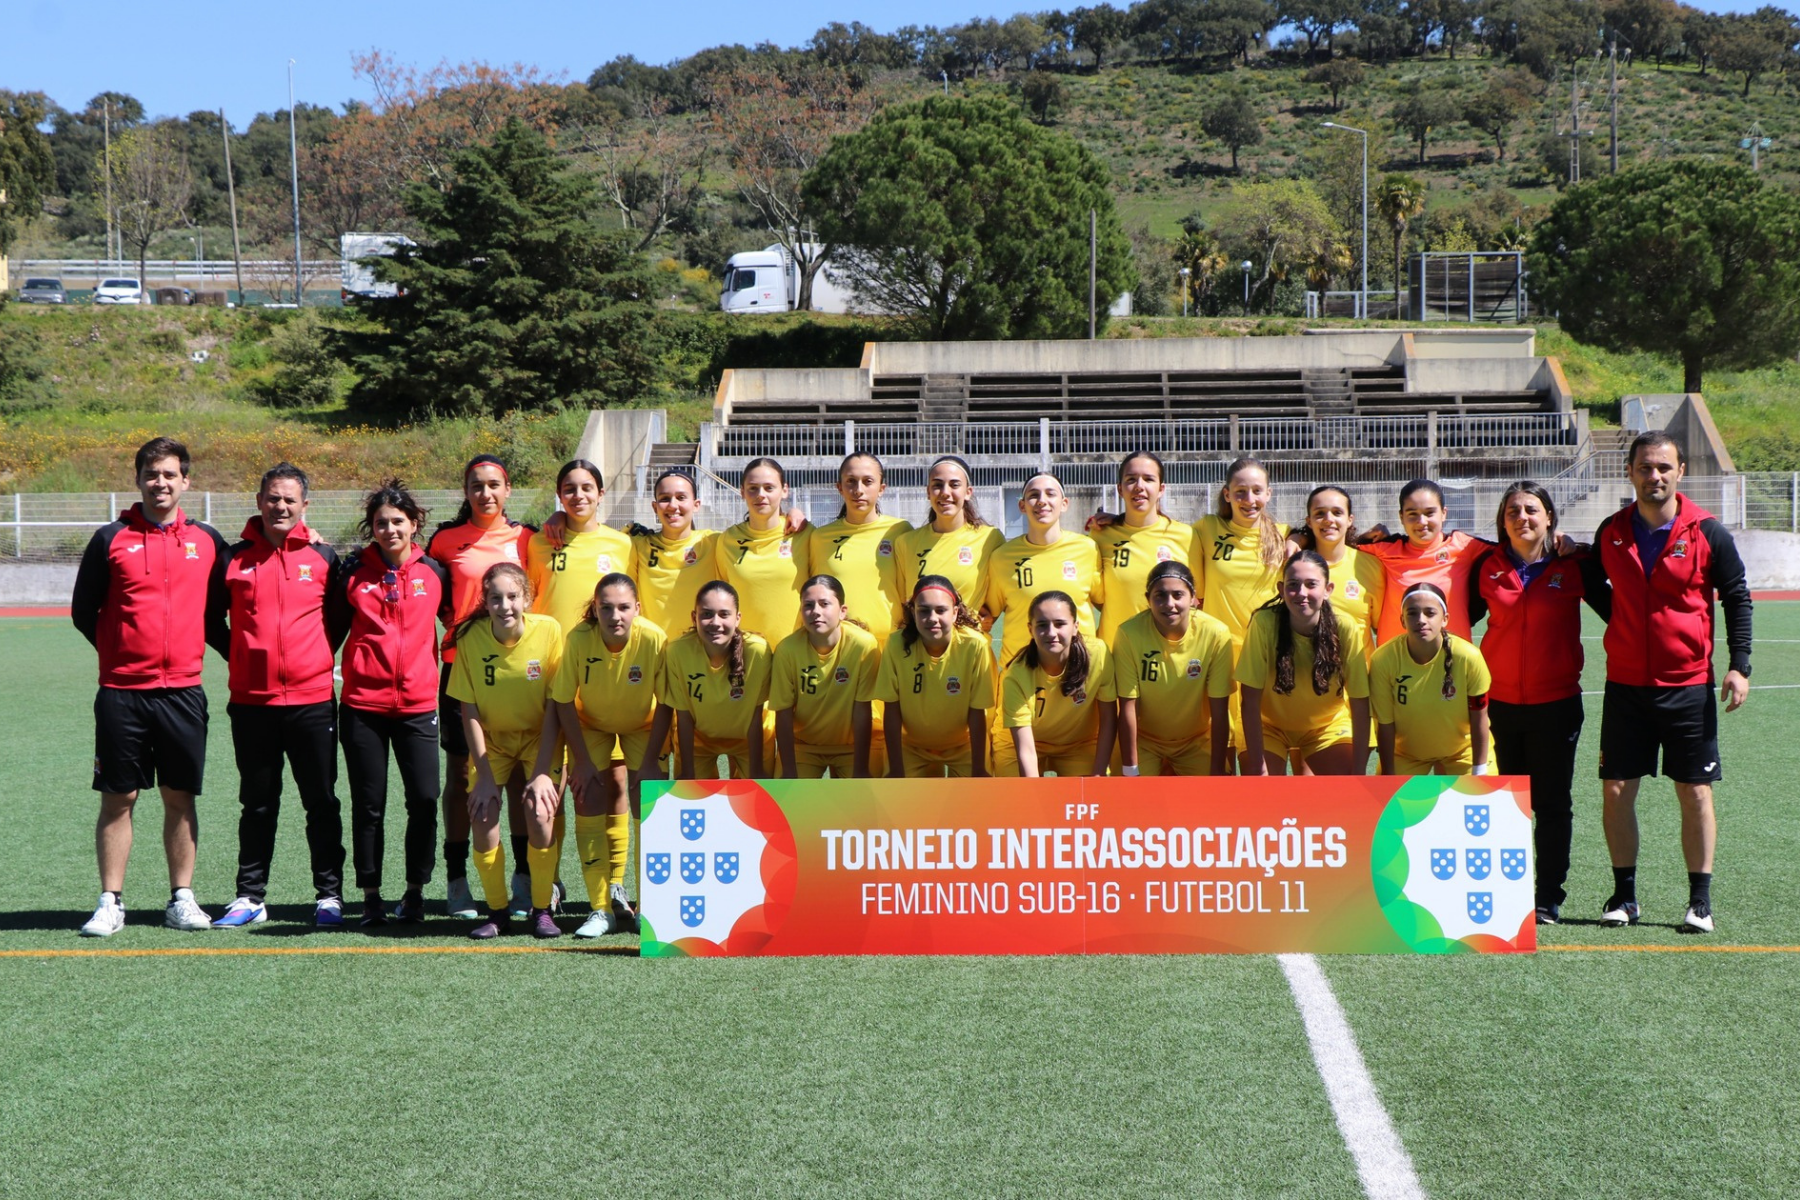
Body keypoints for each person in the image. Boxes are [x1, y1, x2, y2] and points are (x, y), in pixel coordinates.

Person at [1590, 432, 1752, 934]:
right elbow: (1592, 581)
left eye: (1663, 467)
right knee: (1616, 790)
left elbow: (1737, 595)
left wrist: (1738, 664)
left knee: (1696, 792)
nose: (1653, 476)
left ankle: (1699, 902)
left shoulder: (1707, 531)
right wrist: (1620, 620)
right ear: (1629, 472)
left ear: (1680, 471)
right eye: (1644, 467)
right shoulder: (1611, 531)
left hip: (1687, 686)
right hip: (1625, 686)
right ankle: (1625, 896)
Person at [71, 436, 229, 937]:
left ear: (186, 481)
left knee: (180, 797)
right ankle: (110, 901)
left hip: (183, 690)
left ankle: (181, 898)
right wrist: (121, 655)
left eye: (169, 474)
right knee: (119, 798)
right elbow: (83, 611)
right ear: (137, 479)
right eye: (151, 474)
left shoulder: (207, 541)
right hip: (122, 693)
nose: (160, 482)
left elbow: (223, 607)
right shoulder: (109, 538)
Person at [211, 464, 347, 929]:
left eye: (290, 499)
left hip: (311, 701)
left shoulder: (325, 556)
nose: (280, 506)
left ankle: (329, 894)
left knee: (321, 801)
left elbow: (339, 618)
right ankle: (249, 895)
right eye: (273, 498)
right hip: (252, 702)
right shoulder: (231, 557)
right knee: (258, 801)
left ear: (304, 505)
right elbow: (211, 619)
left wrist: (314, 657)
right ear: (259, 501)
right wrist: (243, 655)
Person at [1467, 482, 1606, 925]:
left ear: (1549, 517)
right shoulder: (1485, 566)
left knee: (1550, 803)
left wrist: (1583, 549)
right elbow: (1455, 616)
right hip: (1500, 705)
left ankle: (1548, 895)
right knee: (1506, 801)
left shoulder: (1574, 565)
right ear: (1502, 520)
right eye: (1512, 511)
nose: (1521, 518)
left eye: (1531, 510)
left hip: (1556, 703)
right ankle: (1507, 890)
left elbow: (1620, 610)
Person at [327, 480, 452, 927]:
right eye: (381, 522)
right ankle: (372, 896)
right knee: (369, 804)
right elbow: (328, 635)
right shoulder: (353, 573)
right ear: (372, 527)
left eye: (398, 521)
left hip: (419, 705)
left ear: (414, 524)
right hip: (363, 706)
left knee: (423, 799)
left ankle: (415, 892)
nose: (389, 529)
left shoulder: (434, 573)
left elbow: (457, 625)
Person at [425, 455, 535, 918]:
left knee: (518, 779)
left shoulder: (530, 539)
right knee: (462, 777)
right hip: (461, 670)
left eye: (494, 485)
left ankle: (525, 877)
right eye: (476, 485)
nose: (485, 493)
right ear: (465, 491)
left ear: (508, 489)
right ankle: (456, 879)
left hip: (519, 670)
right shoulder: (445, 541)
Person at [539, 573, 662, 938]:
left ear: (637, 609)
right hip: (591, 725)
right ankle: (600, 909)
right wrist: (584, 761)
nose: (615, 615)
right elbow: (562, 700)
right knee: (588, 795)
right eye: (606, 607)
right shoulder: (579, 638)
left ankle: (648, 906)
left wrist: (653, 760)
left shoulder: (653, 639)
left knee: (648, 805)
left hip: (643, 727)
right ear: (595, 608)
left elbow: (669, 702)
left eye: (624, 607)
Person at [448, 563, 565, 939]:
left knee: (541, 813)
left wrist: (544, 770)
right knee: (482, 816)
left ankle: (542, 908)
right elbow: (470, 710)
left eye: (513, 596)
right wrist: (483, 777)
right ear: (486, 601)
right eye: (496, 598)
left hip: (538, 737)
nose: (505, 606)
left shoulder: (548, 631)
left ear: (526, 598)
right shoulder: (471, 638)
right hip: (493, 742)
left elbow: (555, 704)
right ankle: (498, 912)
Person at [1191, 456, 1290, 768]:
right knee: (1218, 759)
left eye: (1257, 491)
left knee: (1257, 763)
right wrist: (1112, 518)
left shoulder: (1286, 536)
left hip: (1264, 659)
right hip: (1218, 658)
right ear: (1226, 494)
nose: (1250, 500)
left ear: (1269, 494)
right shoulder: (1206, 529)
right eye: (1241, 492)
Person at [1236, 551, 1371, 777]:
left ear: (1328, 590)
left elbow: (1359, 703)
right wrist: (1259, 769)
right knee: (1262, 796)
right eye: (1293, 585)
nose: (1301, 593)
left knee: (1343, 791)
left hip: (1325, 728)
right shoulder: (1263, 623)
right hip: (1268, 727)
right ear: (1280, 589)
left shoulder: (1344, 627)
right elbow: (1249, 700)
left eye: (1311, 584)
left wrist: (1358, 772)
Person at [1112, 561, 1234, 777]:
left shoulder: (1215, 634)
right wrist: (1131, 770)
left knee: (1212, 801)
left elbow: (1219, 710)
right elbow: (1128, 707)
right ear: (1148, 599)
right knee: (1130, 801)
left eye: (1178, 595)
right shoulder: (1129, 633)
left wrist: (1216, 770)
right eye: (1160, 595)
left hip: (1196, 740)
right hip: (1145, 740)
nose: (1169, 604)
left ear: (1194, 597)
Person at [876, 576, 996, 779]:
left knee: (975, 804)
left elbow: (977, 713)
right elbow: (892, 709)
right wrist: (896, 769)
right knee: (901, 804)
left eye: (941, 610)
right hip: (912, 747)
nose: (932, 618)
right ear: (913, 612)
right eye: (924, 610)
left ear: (955, 612)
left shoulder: (975, 645)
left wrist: (978, 768)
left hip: (963, 745)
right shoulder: (896, 644)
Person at [1371, 583, 1492, 777]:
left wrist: (1479, 770)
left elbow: (1480, 718)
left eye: (1430, 613)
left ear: (1445, 619)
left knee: (1482, 802)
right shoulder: (1383, 660)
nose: (1421, 620)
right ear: (1402, 620)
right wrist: (1389, 775)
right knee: (1389, 806)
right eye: (1412, 613)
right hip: (1406, 754)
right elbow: (1385, 725)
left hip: (1462, 752)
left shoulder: (1469, 657)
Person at [984, 472, 1101, 668]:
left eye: (1050, 494)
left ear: (1064, 503)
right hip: (1020, 673)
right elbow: (989, 615)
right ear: (1022, 506)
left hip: (1076, 671)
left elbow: (1106, 603)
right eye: (1033, 495)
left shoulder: (1087, 549)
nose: (1041, 501)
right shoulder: (1002, 557)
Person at [660, 580, 773, 780]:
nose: (715, 622)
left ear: (738, 618)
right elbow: (683, 717)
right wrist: (687, 773)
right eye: (706, 614)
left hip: (750, 739)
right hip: (699, 739)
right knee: (694, 800)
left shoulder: (758, 651)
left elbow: (756, 716)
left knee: (754, 804)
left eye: (724, 614)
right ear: (694, 617)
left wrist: (756, 773)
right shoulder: (677, 652)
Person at [771, 575, 883, 778]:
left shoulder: (864, 645)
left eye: (824, 604)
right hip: (804, 746)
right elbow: (784, 714)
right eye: (808, 605)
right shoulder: (786, 650)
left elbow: (862, 710)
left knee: (864, 800)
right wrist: (789, 770)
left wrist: (860, 769)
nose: (816, 612)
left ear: (842, 611)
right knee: (790, 800)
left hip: (853, 746)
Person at [996, 591, 1116, 778]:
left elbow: (1108, 719)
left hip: (1079, 745)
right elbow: (1026, 751)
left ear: (1075, 626)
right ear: (1030, 629)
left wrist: (1098, 775)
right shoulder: (1015, 675)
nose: (1051, 633)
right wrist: (1033, 796)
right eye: (1042, 625)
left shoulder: (1098, 655)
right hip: (1019, 745)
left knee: (1087, 800)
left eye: (1060, 624)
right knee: (1021, 801)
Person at [1361, 479, 1489, 646]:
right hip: (1395, 663)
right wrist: (1363, 537)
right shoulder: (1385, 549)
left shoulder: (1464, 546)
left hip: (1451, 660)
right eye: (1412, 514)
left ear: (1444, 513)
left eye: (1429, 513)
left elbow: (1512, 549)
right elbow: (1336, 550)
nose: (1422, 522)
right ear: (1401, 516)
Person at [1090, 452, 1195, 646]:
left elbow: (1197, 598)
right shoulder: (1100, 536)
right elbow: (1097, 597)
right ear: (1120, 489)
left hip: (1167, 653)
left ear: (1161, 489)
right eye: (1131, 479)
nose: (1139, 486)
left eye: (1148, 479)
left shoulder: (1187, 536)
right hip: (1116, 651)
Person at [807, 454, 910, 645]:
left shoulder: (900, 531)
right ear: (840, 488)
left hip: (891, 646)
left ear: (881, 489)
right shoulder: (820, 538)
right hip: (842, 648)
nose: (858, 490)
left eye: (868, 481)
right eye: (851, 482)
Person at [528, 459, 633, 635]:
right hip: (553, 652)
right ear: (559, 495)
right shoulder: (539, 542)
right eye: (569, 489)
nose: (578, 495)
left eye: (586, 488)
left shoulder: (623, 544)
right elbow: (528, 599)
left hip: (602, 653)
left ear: (600, 494)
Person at [713, 458, 812, 643]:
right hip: (746, 652)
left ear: (784, 490)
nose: (760, 494)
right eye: (752, 488)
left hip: (796, 651)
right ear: (742, 492)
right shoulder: (727, 540)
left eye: (769, 487)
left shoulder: (804, 534)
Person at [893, 455, 1003, 616]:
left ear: (968, 492)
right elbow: (905, 602)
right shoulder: (906, 542)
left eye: (954, 485)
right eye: (937, 485)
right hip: (922, 640)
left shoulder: (990, 539)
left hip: (968, 640)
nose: (945, 492)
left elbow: (997, 598)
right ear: (928, 492)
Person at [1294, 486, 1384, 652]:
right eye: (1320, 513)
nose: (1329, 519)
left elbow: (1382, 629)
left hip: (1359, 675)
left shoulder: (1372, 567)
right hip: (1308, 674)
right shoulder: (1295, 568)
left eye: (1337, 512)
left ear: (1350, 519)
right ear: (1309, 521)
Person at [630, 469, 717, 639]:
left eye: (681, 497)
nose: (672, 505)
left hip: (698, 650)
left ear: (696, 504)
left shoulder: (713, 543)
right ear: (655, 507)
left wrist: (785, 515)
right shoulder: (637, 545)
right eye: (664, 499)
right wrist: (562, 517)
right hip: (652, 650)